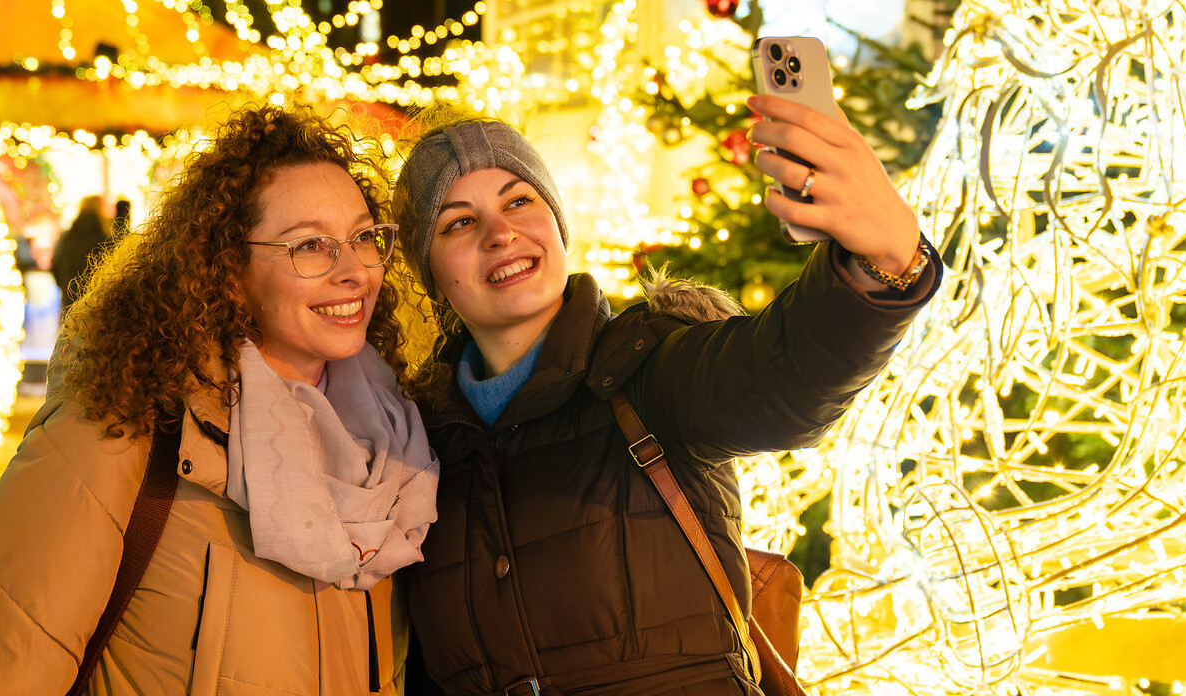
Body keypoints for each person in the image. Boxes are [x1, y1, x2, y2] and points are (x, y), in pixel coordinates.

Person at [390, 97, 941, 695]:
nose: (500, 234)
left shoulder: (647, 370)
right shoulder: (416, 453)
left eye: (519, 201)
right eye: (459, 222)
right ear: (430, 271)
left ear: (555, 221)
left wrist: (881, 260)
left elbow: (784, 373)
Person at [0, 105, 439, 695]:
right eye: (310, 246)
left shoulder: (398, 445)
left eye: (363, 237)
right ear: (227, 269)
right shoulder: (118, 435)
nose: (354, 270)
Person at [49, 195, 113, 311]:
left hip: (70, 300)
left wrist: (65, 286)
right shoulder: (105, 240)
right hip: (97, 303)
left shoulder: (68, 238)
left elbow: (55, 266)